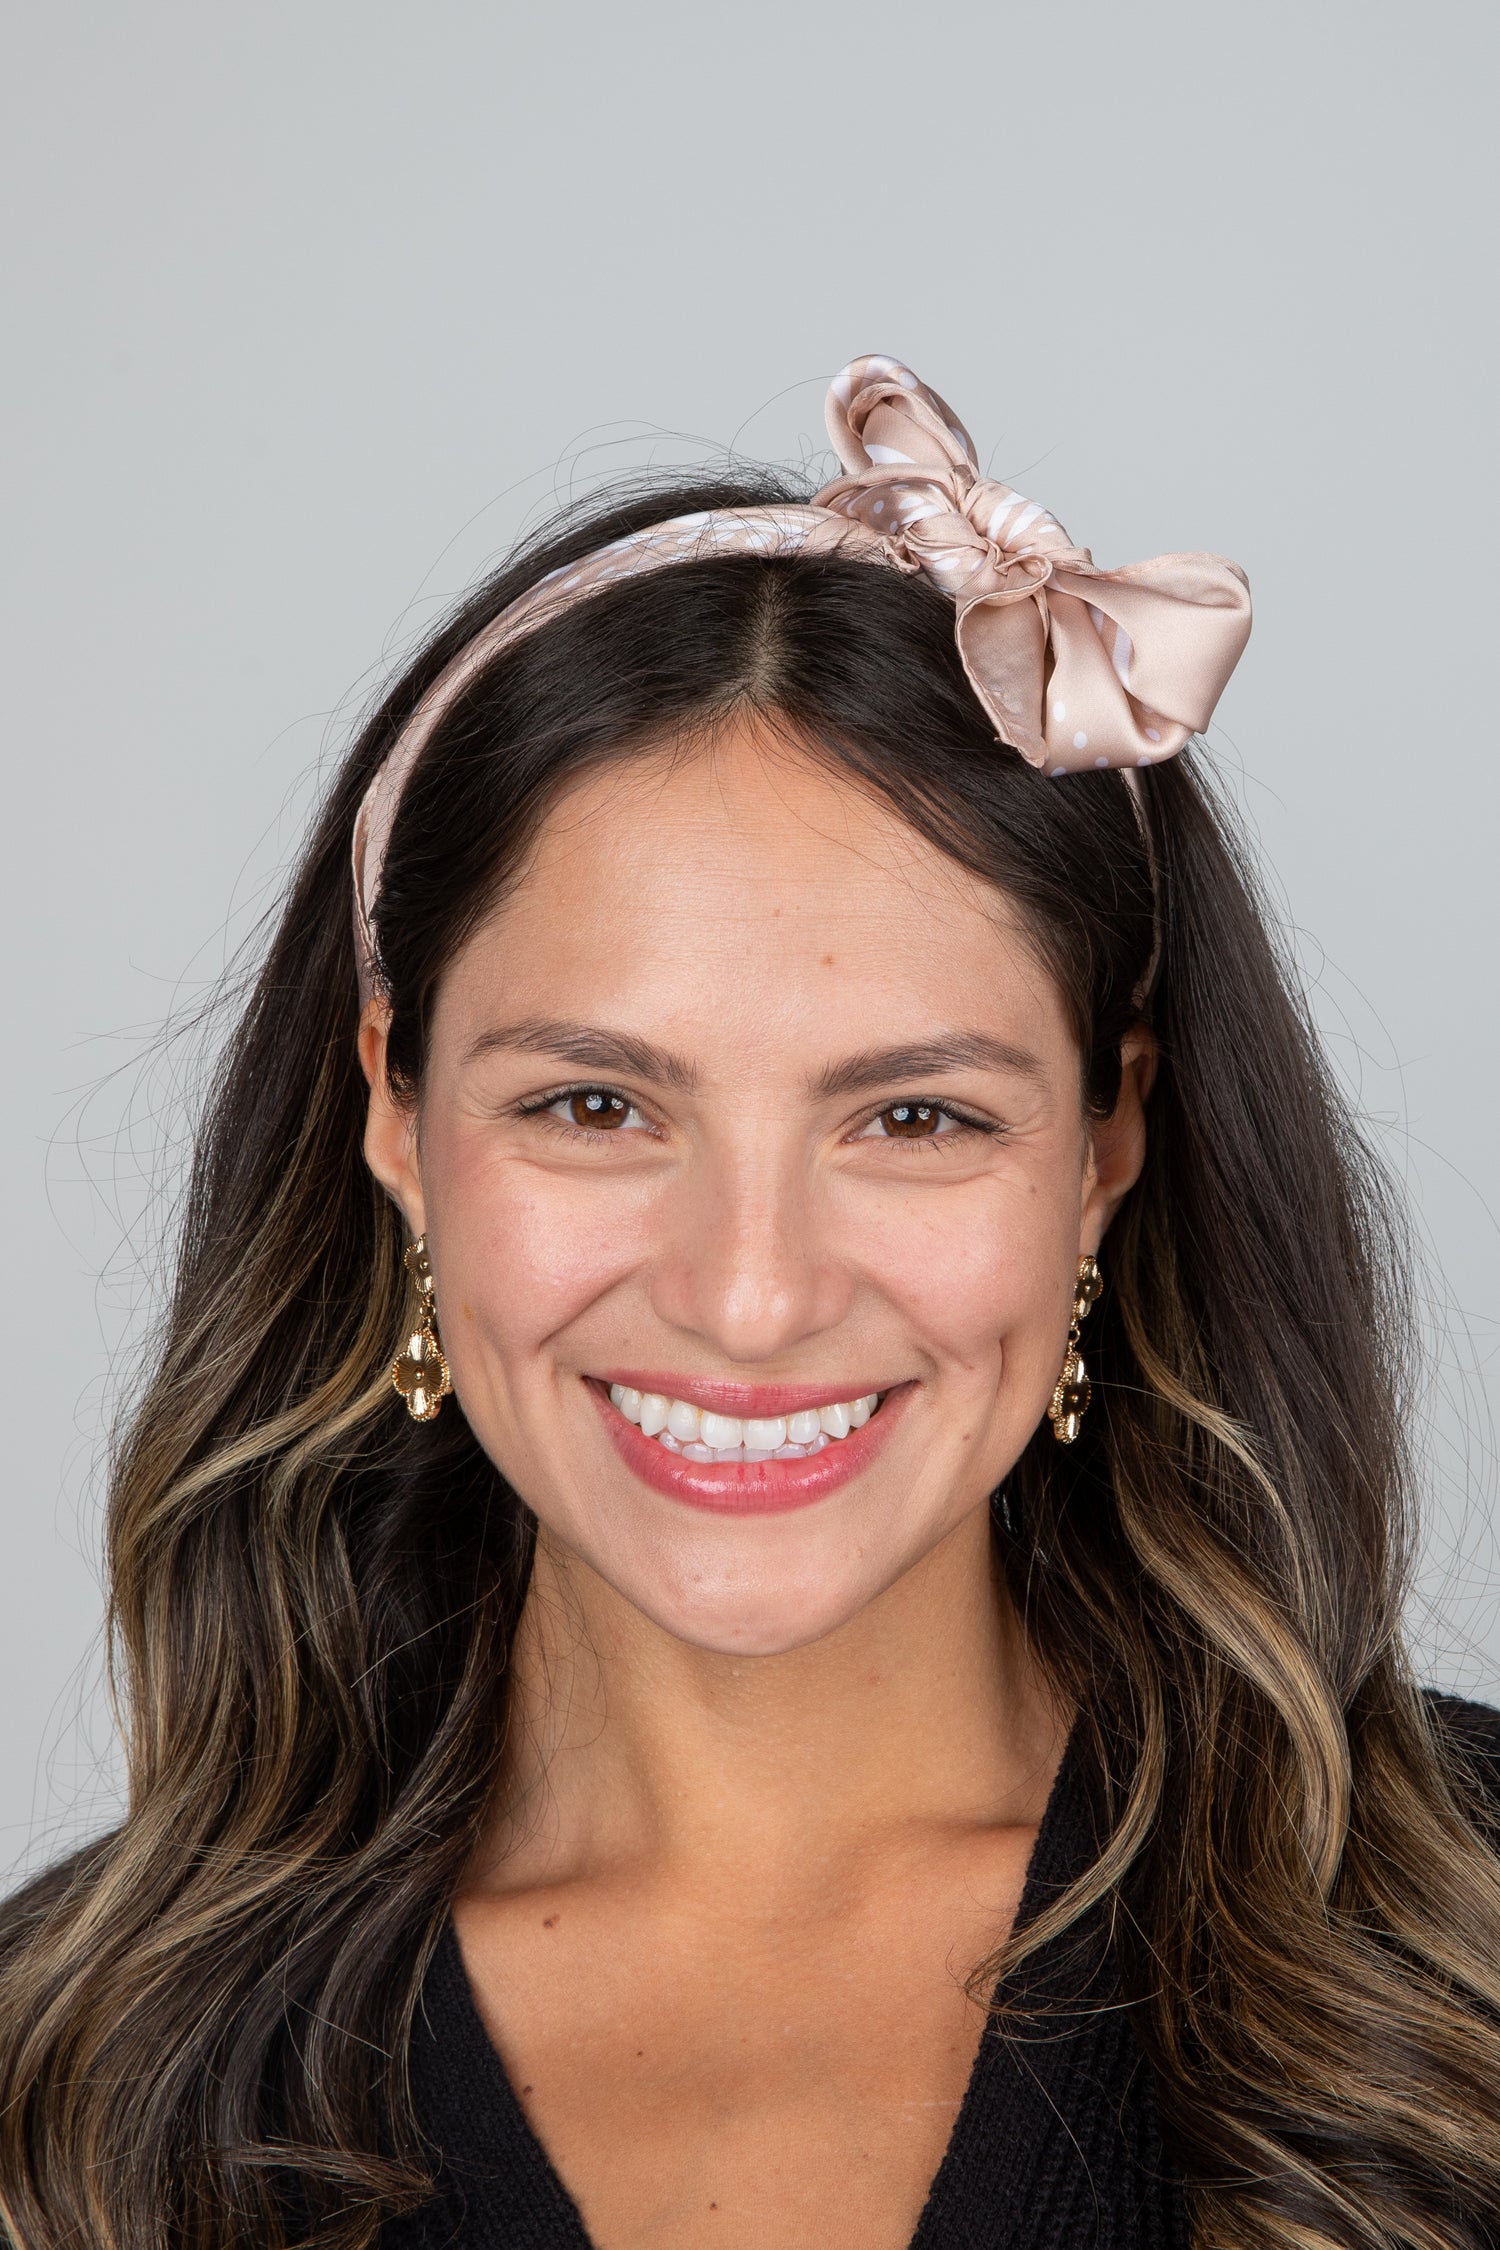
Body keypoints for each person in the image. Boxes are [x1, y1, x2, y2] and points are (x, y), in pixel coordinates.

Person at [1, 356, 1497, 2250]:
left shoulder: (1467, 1964)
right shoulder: (69, 2091)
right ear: (389, 1107)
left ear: (1111, 1131)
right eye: (595, 1104)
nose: (752, 1292)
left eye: (916, 1114)